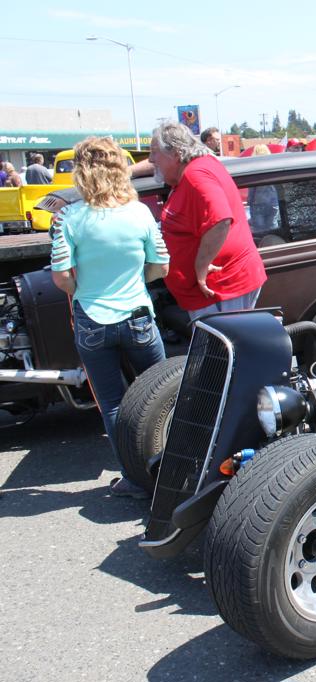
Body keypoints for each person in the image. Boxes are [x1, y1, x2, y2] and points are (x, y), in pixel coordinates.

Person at [49, 136, 170, 498]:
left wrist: (83, 289)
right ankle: (173, 471)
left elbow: (61, 277)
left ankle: (134, 479)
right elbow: (161, 266)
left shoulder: (69, 217)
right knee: (164, 395)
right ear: (120, 168)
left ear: (82, 172)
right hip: (138, 315)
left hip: (92, 319)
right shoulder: (139, 213)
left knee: (113, 404)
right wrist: (136, 281)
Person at [148, 122, 266, 322]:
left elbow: (220, 220)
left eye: (154, 152)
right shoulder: (197, 164)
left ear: (175, 154)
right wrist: (128, 171)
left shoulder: (195, 176)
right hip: (215, 290)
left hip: (220, 288)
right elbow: (157, 164)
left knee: (223, 341)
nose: (151, 159)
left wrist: (200, 268)